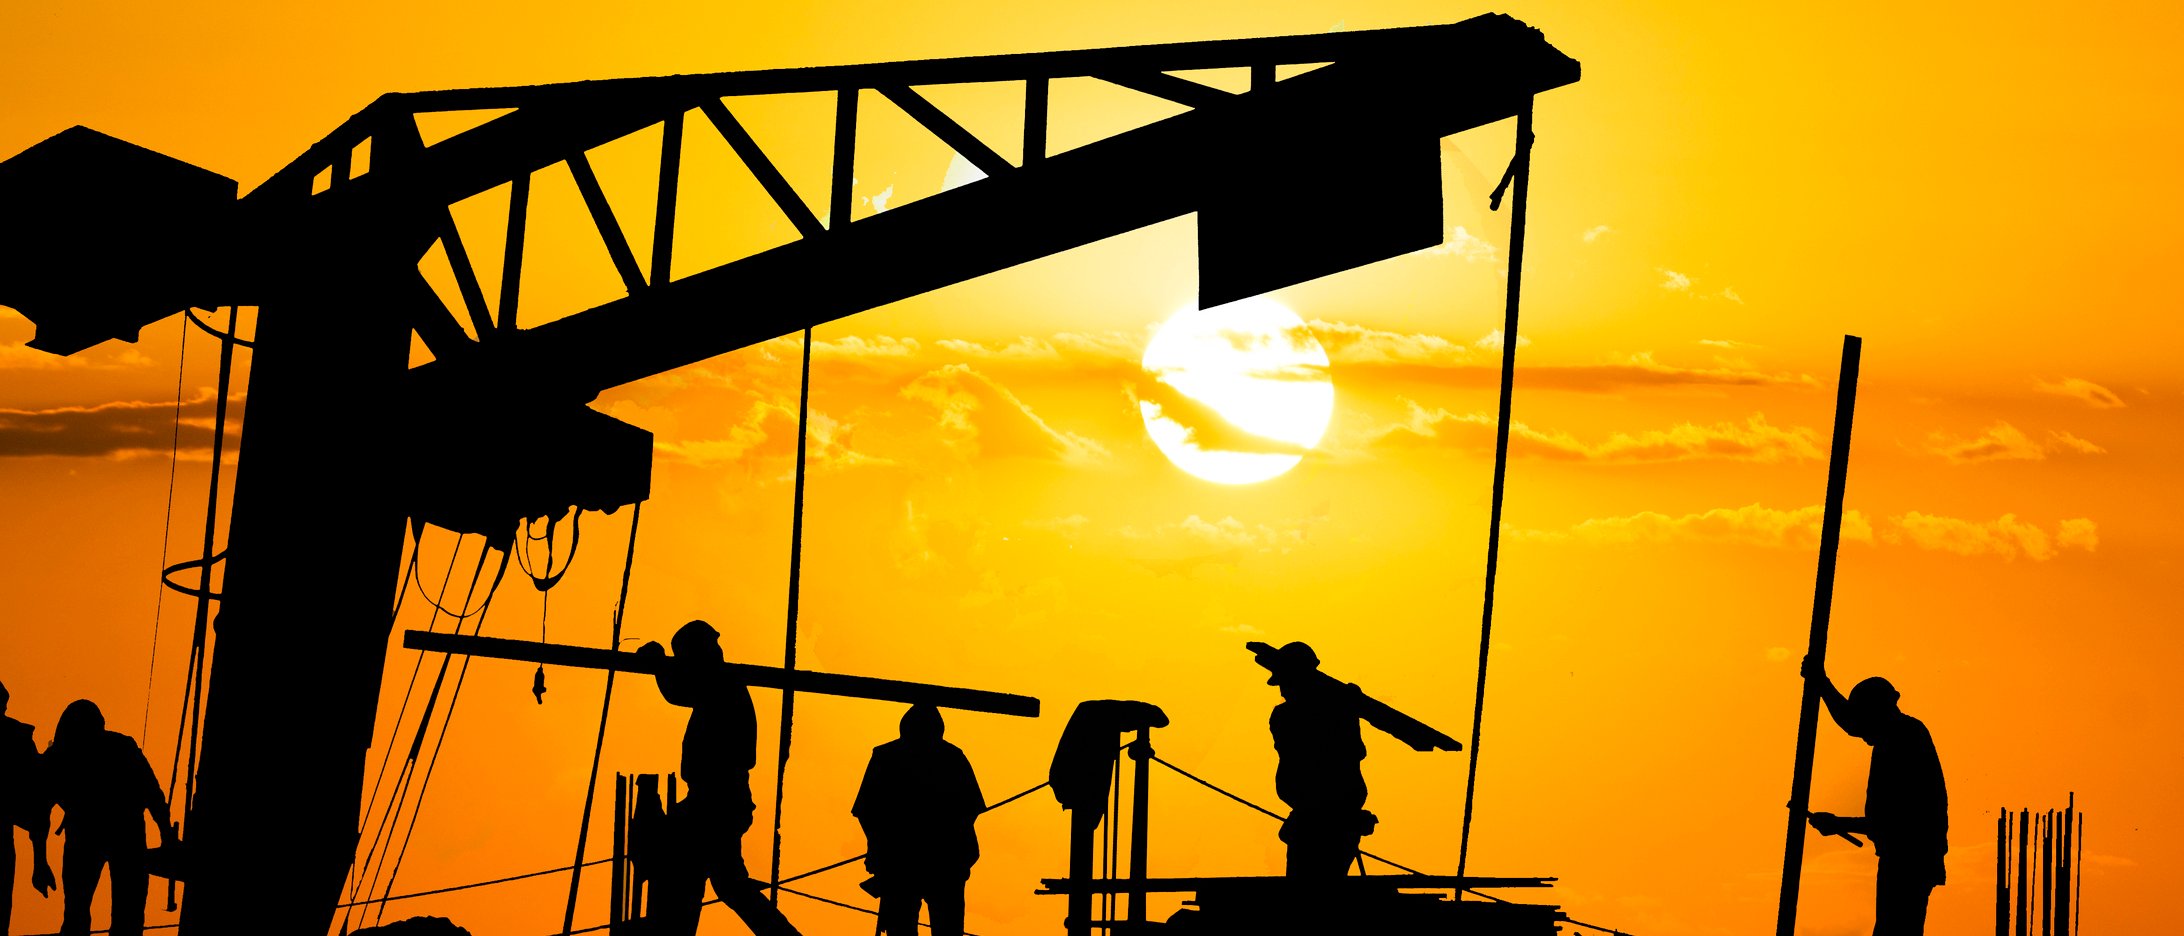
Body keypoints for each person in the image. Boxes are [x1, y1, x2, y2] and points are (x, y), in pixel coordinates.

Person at [636, 621, 798, 936]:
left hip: (716, 800)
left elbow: (679, 691)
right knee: (726, 883)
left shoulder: (721, 683)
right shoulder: (723, 684)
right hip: (718, 799)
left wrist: (657, 665)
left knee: (698, 875)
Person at [1803, 655, 1949, 936]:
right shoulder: (1896, 735)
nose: (1858, 730)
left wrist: (1839, 824)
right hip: (1907, 855)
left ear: (1877, 712)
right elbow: (1852, 723)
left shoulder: (1903, 741)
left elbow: (1894, 821)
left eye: (1864, 718)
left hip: (1910, 857)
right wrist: (1821, 683)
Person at [41, 699, 171, 936]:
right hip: (117, 835)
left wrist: (39, 861)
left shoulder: (62, 755)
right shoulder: (118, 747)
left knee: (85, 913)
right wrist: (166, 834)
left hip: (101, 836)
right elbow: (153, 794)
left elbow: (152, 792)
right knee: (117, 914)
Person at [853, 704, 985, 936]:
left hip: (911, 864)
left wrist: (877, 846)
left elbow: (866, 811)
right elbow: (971, 810)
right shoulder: (952, 757)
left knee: (907, 928)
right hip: (935, 864)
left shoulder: (886, 756)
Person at [1261, 642, 1373, 877]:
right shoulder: (1285, 716)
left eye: (1286, 683)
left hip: (1331, 818)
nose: (1282, 691)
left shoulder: (1333, 714)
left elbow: (1353, 750)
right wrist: (1347, 705)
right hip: (1312, 817)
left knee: (1316, 883)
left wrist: (1347, 708)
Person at [3, 680, 55, 933]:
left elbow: (38, 802)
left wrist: (40, 862)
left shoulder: (18, 740)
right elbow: (38, 803)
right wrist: (40, 862)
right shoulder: (18, 739)